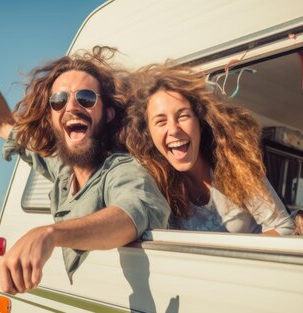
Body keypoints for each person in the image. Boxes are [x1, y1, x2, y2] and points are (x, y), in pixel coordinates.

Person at [0, 0, 170, 294]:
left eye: (86, 98)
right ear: (51, 116)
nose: (71, 107)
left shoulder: (122, 170)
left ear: (108, 113)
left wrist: (50, 234)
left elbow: (131, 214)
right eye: (59, 101)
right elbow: (2, 124)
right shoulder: (63, 168)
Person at [125, 63, 294, 235]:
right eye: (161, 121)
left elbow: (283, 227)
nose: (174, 129)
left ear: (200, 122)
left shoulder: (235, 167)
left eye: (183, 116)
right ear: (149, 134)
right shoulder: (155, 183)